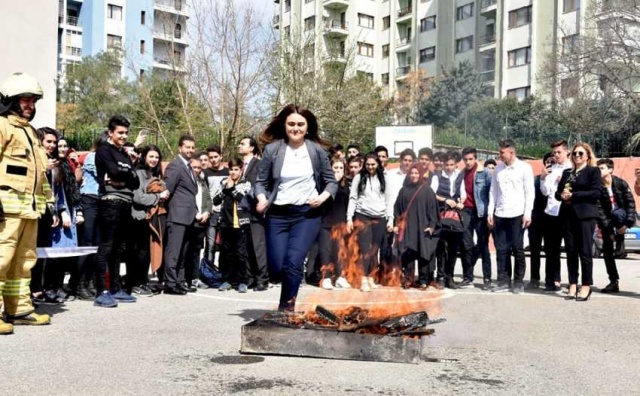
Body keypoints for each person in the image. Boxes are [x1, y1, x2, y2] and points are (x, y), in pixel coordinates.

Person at [255, 104, 337, 311]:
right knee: (276, 267)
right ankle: (286, 300)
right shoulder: (273, 150)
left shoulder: (316, 150)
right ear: (284, 126)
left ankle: (286, 309)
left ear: (307, 128)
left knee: (293, 262)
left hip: (306, 215)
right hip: (277, 215)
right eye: (291, 124)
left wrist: (322, 197)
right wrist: (261, 198)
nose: (295, 128)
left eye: (300, 124)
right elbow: (261, 182)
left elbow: (331, 181)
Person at [0, 72, 55, 333]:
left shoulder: (32, 133)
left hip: (30, 211)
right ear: (11, 100)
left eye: (33, 101)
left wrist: (49, 202)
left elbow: (40, 173)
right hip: (6, 210)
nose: (30, 106)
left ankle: (19, 309)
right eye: (25, 100)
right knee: (1, 259)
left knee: (24, 261)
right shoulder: (2, 126)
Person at [94, 115, 140, 308]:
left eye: (126, 133)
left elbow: (135, 181)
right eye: (120, 132)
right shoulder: (104, 150)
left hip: (125, 204)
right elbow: (113, 173)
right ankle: (101, 291)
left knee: (118, 248)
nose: (124, 136)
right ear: (111, 132)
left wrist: (125, 176)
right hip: (110, 203)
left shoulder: (124, 154)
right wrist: (124, 176)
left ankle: (115, 288)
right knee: (107, 246)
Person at [487, 139, 534, 294]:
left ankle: (518, 281)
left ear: (511, 152)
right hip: (500, 213)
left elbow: (529, 192)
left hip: (517, 214)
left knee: (517, 248)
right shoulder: (498, 169)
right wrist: (490, 212)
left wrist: (528, 213)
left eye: (502, 152)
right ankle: (503, 281)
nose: (499, 155)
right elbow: (493, 192)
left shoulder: (525, 168)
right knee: (501, 249)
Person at [555, 143, 601, 301]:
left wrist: (573, 195)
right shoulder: (567, 172)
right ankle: (573, 283)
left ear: (588, 155)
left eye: (581, 153)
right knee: (570, 251)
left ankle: (586, 285)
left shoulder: (593, 171)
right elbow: (557, 192)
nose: (577, 156)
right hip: (567, 215)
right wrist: (562, 194)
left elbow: (595, 193)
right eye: (574, 153)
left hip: (585, 216)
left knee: (585, 252)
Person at [346, 153, 394, 292]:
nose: (370, 167)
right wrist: (349, 218)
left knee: (374, 250)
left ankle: (371, 277)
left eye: (373, 164)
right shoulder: (359, 177)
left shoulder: (385, 178)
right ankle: (363, 278)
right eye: (368, 165)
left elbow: (389, 200)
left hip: (380, 217)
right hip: (363, 215)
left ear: (378, 164)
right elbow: (353, 198)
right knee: (364, 248)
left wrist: (390, 219)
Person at [128, 145, 169, 296]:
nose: (154, 160)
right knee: (140, 252)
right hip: (139, 217)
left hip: (152, 218)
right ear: (144, 157)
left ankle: (143, 281)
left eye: (156, 157)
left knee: (146, 252)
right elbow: (138, 197)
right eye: (151, 156)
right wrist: (159, 197)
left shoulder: (156, 174)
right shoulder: (138, 173)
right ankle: (135, 283)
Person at [163, 135, 199, 296]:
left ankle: (179, 280)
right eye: (187, 147)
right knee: (174, 251)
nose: (190, 150)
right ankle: (170, 283)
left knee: (183, 252)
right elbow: (167, 190)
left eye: (192, 147)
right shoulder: (175, 166)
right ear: (180, 148)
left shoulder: (189, 167)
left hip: (188, 216)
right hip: (177, 216)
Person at [394, 164, 440, 289]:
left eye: (416, 173)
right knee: (408, 254)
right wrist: (397, 224)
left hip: (422, 227)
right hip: (408, 228)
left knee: (423, 254)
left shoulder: (427, 190)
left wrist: (431, 226)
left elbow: (433, 210)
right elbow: (397, 209)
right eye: (412, 173)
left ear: (420, 174)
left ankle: (423, 280)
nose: (414, 176)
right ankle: (408, 279)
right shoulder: (404, 190)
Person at [597, 158, 636, 294]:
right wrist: (608, 229)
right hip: (608, 222)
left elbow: (630, 204)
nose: (599, 170)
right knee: (607, 252)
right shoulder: (597, 187)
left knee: (617, 214)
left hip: (622, 218)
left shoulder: (620, 184)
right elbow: (599, 210)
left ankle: (621, 239)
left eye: (601, 168)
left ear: (610, 170)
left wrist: (627, 224)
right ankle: (613, 281)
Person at [213, 158, 252, 293]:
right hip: (225, 223)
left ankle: (242, 281)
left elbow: (244, 201)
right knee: (226, 254)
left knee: (240, 254)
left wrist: (233, 188)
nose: (233, 172)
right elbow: (216, 200)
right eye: (231, 169)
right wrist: (225, 189)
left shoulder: (246, 183)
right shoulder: (223, 182)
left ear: (241, 170)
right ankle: (227, 280)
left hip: (240, 224)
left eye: (236, 169)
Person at [539, 140, 573, 293]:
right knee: (551, 250)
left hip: (567, 213)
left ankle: (573, 282)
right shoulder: (550, 169)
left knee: (572, 249)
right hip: (551, 212)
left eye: (559, 152)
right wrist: (543, 178)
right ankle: (552, 280)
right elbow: (545, 192)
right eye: (554, 153)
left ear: (567, 152)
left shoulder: (573, 169)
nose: (556, 155)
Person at [238, 136, 268, 291]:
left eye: (242, 144)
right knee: (247, 245)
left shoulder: (258, 164)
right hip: (243, 211)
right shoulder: (241, 166)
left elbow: (260, 184)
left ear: (251, 148)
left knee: (258, 246)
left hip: (256, 210)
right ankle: (250, 277)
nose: (239, 146)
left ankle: (262, 279)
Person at [459, 147, 492, 290]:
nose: (468, 162)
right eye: (465, 159)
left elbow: (492, 193)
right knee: (466, 246)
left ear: (476, 159)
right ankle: (468, 277)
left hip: (480, 212)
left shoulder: (484, 173)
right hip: (465, 211)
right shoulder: (461, 173)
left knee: (483, 246)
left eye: (470, 159)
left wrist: (490, 213)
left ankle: (487, 278)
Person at [74, 136, 103, 300]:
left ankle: (90, 282)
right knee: (87, 243)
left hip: (100, 201)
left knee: (96, 245)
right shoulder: (93, 157)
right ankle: (79, 285)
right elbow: (104, 174)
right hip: (89, 200)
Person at [430, 151, 463, 289]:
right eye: (447, 164)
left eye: (451, 165)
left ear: (456, 165)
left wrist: (461, 202)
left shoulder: (459, 176)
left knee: (454, 249)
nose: (449, 167)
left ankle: (450, 276)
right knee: (442, 248)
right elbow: (432, 194)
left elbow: (464, 194)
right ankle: (441, 277)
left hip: (455, 216)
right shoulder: (437, 176)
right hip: (441, 215)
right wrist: (446, 200)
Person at [318, 158, 351, 290]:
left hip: (340, 222)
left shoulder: (347, 185)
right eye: (335, 168)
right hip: (326, 222)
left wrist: (349, 220)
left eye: (340, 168)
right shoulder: (324, 184)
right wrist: (334, 183)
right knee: (325, 250)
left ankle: (340, 277)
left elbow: (349, 203)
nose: (338, 171)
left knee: (339, 251)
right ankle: (326, 277)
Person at [184, 157, 211, 292]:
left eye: (199, 168)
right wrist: (196, 214)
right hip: (189, 220)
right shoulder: (185, 180)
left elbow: (207, 198)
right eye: (194, 167)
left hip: (201, 221)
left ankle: (194, 278)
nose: (196, 170)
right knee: (185, 251)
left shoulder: (202, 181)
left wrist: (207, 212)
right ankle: (183, 279)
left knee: (196, 251)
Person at [527, 153, 553, 290]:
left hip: (551, 221)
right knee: (534, 252)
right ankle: (534, 278)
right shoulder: (536, 180)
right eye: (548, 162)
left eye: (553, 162)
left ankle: (552, 279)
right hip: (536, 220)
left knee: (551, 252)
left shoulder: (559, 179)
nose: (550, 164)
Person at [203, 146, 229, 267]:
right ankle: (208, 272)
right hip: (212, 213)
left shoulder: (229, 172)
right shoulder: (205, 173)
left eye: (215, 157)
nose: (213, 159)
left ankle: (224, 272)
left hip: (226, 213)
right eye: (211, 157)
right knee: (210, 244)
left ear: (221, 156)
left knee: (226, 245)